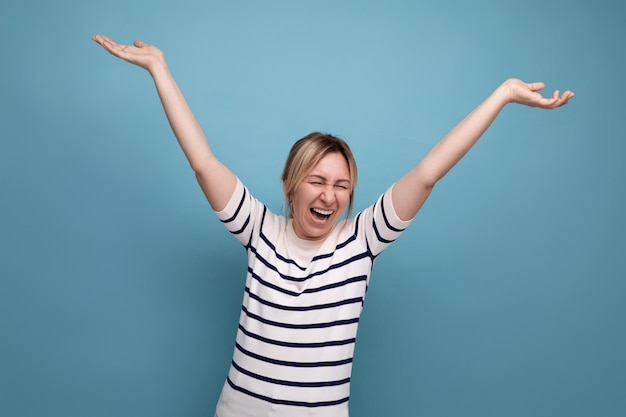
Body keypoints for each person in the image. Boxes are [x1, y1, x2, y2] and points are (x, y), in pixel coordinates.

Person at [92, 35, 574, 417]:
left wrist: (504, 95)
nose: (329, 195)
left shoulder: (362, 241)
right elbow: (202, 162)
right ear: (290, 185)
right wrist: (160, 69)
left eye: (342, 185)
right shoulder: (260, 230)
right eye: (317, 181)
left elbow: (429, 171)